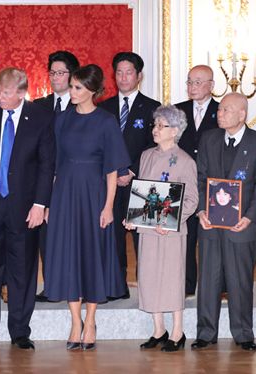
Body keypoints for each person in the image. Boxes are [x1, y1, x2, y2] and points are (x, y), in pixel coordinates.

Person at [0, 67, 55, 351]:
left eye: (5, 93)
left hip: (24, 207)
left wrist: (40, 204)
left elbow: (46, 164)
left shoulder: (40, 118)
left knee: (23, 271)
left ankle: (19, 331)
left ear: (20, 93)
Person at [44, 64, 130, 351]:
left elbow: (111, 171)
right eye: (72, 86)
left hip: (94, 195)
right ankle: (75, 321)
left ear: (93, 91)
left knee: (93, 254)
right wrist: (48, 203)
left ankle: (91, 320)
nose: (72, 91)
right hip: (65, 195)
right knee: (68, 254)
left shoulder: (106, 122)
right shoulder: (62, 119)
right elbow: (53, 165)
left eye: (78, 87)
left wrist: (108, 207)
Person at [124, 105, 198, 352]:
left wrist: (173, 220)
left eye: (160, 126)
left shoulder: (185, 160)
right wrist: (132, 217)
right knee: (149, 277)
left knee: (172, 278)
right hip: (147, 230)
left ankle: (177, 331)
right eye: (154, 125)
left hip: (171, 232)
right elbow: (142, 193)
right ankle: (158, 329)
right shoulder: (146, 156)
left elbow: (192, 200)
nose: (155, 130)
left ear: (174, 130)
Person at [193, 93, 256, 351]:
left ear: (242, 114)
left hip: (242, 226)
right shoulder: (209, 138)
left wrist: (250, 217)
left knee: (240, 280)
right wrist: (200, 211)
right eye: (219, 110)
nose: (219, 114)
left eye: (226, 110)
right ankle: (206, 333)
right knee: (208, 279)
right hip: (210, 224)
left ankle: (243, 334)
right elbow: (199, 178)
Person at [100, 52, 161, 298]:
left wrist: (132, 170)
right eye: (119, 72)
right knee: (113, 236)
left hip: (142, 183)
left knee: (142, 238)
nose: (124, 77)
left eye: (129, 72)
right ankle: (117, 286)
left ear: (139, 75)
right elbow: (101, 146)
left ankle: (148, 287)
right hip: (111, 183)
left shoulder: (153, 107)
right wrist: (117, 172)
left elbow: (154, 144)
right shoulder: (102, 107)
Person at [33, 50, 79, 302]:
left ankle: (73, 285)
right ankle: (51, 285)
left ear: (72, 75)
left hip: (73, 181)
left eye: (61, 72)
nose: (56, 77)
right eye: (52, 72)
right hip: (45, 180)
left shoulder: (81, 107)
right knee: (46, 236)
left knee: (72, 235)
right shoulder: (38, 107)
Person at [175, 64, 219, 296]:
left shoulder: (222, 111)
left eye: (198, 82)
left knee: (212, 238)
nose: (192, 86)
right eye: (190, 81)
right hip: (183, 183)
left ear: (211, 85)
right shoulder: (177, 111)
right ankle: (186, 285)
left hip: (212, 185)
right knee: (186, 235)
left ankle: (215, 287)